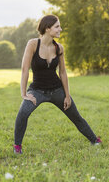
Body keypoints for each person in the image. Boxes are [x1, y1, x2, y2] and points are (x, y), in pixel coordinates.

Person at [13, 15, 101, 154]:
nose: (60, 29)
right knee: (23, 113)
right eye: (57, 26)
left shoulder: (59, 48)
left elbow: (63, 73)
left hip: (56, 90)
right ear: (47, 28)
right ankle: (17, 147)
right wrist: (24, 94)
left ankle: (95, 140)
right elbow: (25, 70)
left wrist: (67, 95)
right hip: (37, 90)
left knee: (76, 116)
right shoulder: (33, 44)